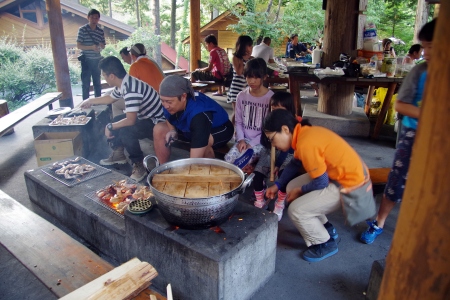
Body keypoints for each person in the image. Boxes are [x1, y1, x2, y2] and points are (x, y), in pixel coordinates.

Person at [360, 19, 436, 245]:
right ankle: (379, 221)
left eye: (432, 46)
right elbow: (400, 105)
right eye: (425, 46)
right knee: (397, 182)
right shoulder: (420, 72)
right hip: (414, 136)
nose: (426, 52)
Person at [263, 109, 371, 262]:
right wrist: (278, 185)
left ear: (285, 129)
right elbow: (295, 163)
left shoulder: (307, 143)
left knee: (296, 210)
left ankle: (324, 243)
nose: (272, 144)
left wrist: (299, 191)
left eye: (272, 139)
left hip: (352, 186)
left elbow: (321, 182)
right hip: (338, 176)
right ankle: (325, 226)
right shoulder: (303, 134)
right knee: (290, 187)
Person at [80, 56, 167, 182]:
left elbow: (130, 120)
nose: (103, 77)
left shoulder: (131, 89)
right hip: (146, 117)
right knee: (117, 121)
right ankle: (119, 155)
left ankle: (139, 165)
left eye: (104, 75)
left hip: (157, 122)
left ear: (112, 76)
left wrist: (110, 126)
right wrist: (90, 101)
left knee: (127, 130)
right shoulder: (124, 83)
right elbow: (110, 98)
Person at [154, 75, 234, 162]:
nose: (165, 106)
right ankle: (163, 170)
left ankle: (207, 174)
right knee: (159, 129)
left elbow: (195, 159)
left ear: (184, 96)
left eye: (169, 102)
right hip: (190, 128)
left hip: (219, 129)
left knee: (204, 146)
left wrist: (189, 171)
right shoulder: (169, 102)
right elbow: (168, 117)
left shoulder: (199, 114)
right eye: (162, 101)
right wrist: (172, 130)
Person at [253, 92, 298, 221]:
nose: (276, 113)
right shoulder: (268, 121)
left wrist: (278, 164)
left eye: (280, 110)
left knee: (284, 175)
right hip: (269, 150)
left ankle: (279, 204)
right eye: (273, 109)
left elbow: (289, 148)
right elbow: (263, 141)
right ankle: (260, 201)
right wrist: (271, 140)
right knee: (258, 174)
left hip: (287, 152)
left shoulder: (291, 125)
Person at [224, 58, 274, 168]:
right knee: (228, 159)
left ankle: (246, 183)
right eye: (249, 77)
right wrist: (241, 140)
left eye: (256, 77)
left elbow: (269, 129)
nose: (252, 81)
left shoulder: (271, 98)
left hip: (261, 141)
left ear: (264, 77)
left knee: (242, 160)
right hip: (244, 139)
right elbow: (238, 121)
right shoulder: (241, 96)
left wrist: (251, 144)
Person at [77, 9, 106, 100]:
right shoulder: (82, 30)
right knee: (86, 83)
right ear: (88, 18)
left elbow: (103, 45)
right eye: (92, 18)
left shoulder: (100, 31)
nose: (94, 20)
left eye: (96, 18)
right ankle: (85, 103)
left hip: (97, 59)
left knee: (97, 82)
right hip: (86, 60)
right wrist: (91, 47)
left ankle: (98, 101)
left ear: (98, 19)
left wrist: (101, 46)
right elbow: (79, 45)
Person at [227, 35, 253, 123]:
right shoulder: (236, 58)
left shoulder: (251, 59)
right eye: (249, 45)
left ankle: (240, 130)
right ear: (243, 46)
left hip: (246, 88)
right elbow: (239, 72)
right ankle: (232, 130)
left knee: (244, 112)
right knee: (236, 112)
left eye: (251, 45)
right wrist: (243, 60)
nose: (251, 48)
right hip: (236, 89)